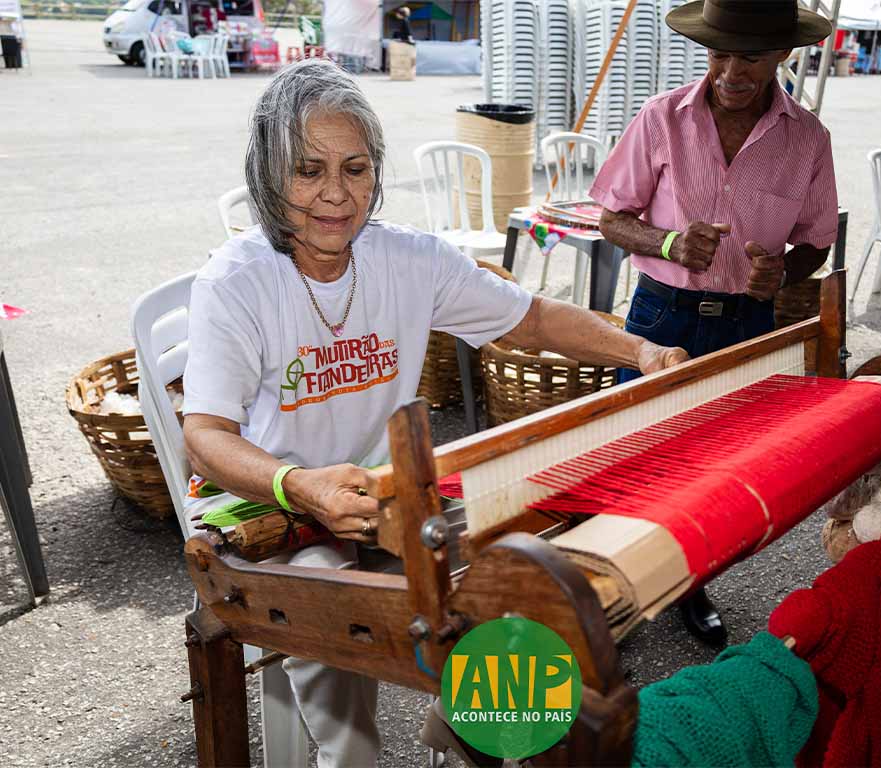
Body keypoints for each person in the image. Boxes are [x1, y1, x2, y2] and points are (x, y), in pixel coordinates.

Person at [181, 58, 688, 767]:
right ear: (268, 172)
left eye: (356, 169)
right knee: (347, 714)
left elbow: (531, 319)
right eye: (308, 170)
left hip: (396, 500)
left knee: (523, 594)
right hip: (285, 521)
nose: (336, 194)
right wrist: (303, 487)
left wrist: (641, 350)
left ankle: (474, 742)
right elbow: (203, 439)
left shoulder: (408, 259)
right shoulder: (236, 284)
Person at [590, 0, 838, 645]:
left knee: (716, 462)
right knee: (635, 449)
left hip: (745, 321)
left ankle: (689, 583)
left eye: (750, 57)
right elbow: (611, 218)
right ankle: (612, 587)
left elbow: (816, 241)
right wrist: (669, 244)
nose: (731, 71)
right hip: (661, 312)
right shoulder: (660, 118)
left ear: (782, 55)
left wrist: (783, 273)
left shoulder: (807, 138)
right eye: (719, 54)